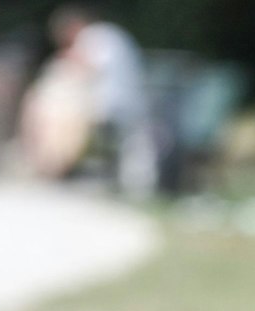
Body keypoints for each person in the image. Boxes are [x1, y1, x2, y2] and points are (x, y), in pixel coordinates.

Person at [15, 5, 159, 198]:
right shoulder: (109, 34)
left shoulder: (94, 36)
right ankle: (53, 164)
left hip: (112, 106)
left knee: (54, 112)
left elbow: (86, 68)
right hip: (123, 104)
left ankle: (52, 164)